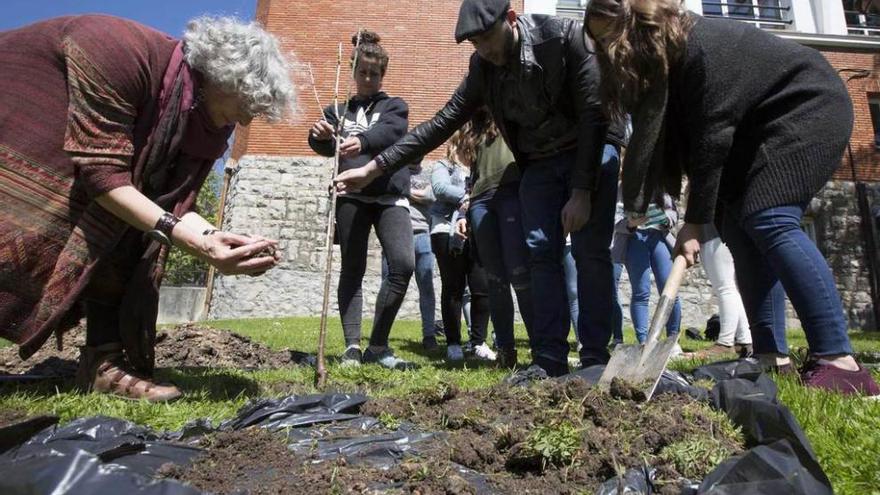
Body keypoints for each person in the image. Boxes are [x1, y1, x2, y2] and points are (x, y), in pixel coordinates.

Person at [585, 0, 880, 395]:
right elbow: (689, 143)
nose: (611, 52)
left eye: (613, 39)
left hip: (806, 106)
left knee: (769, 217)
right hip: (754, 129)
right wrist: (701, 216)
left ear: (635, 23)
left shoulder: (696, 44)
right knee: (738, 230)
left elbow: (713, 137)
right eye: (601, 44)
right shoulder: (664, 67)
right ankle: (770, 356)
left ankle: (840, 363)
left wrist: (692, 222)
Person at [0, 15, 295, 401]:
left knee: (129, 226)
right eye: (244, 105)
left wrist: (211, 236)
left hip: (101, 167)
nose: (244, 120)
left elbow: (166, 204)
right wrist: (198, 245)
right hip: (20, 113)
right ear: (219, 77)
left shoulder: (202, 123)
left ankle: (102, 363)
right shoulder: (115, 51)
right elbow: (104, 177)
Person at [334, 0, 627, 377]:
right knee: (540, 252)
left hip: (591, 147)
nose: (485, 50)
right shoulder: (483, 69)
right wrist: (375, 167)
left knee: (589, 251)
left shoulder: (562, 37)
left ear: (510, 19)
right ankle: (549, 359)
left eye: (488, 38)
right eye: (475, 43)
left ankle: (594, 359)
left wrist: (583, 190)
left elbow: (594, 111)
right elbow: (441, 123)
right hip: (539, 161)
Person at [308, 30, 415, 370]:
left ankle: (378, 345)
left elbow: (392, 133)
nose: (368, 78)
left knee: (403, 264)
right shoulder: (337, 110)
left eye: (375, 73)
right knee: (352, 268)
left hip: (389, 196)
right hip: (350, 195)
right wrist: (319, 135)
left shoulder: (394, 106)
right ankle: (353, 345)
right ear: (353, 71)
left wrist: (364, 141)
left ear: (382, 74)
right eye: (363, 72)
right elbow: (325, 147)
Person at [453, 108, 533, 367]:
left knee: (520, 274)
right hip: (479, 200)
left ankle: (542, 346)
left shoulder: (511, 112)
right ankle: (506, 352)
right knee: (495, 280)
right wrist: (463, 211)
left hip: (510, 191)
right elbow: (470, 166)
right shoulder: (474, 125)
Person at [431, 136, 493, 362]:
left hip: (476, 230)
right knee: (453, 287)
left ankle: (478, 342)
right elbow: (439, 188)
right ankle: (453, 343)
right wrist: (469, 195)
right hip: (444, 230)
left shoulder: (480, 167)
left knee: (481, 286)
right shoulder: (443, 166)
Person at [381, 162, 438, 351]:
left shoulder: (429, 172)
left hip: (423, 234)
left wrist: (406, 192)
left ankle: (429, 335)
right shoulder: (395, 171)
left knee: (426, 287)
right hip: (395, 235)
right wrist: (418, 195)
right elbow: (390, 190)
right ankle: (380, 337)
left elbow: (432, 196)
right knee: (387, 287)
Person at [617, 194, 682, 344]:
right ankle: (643, 342)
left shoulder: (660, 186)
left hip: (659, 236)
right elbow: (614, 219)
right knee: (641, 292)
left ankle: (673, 340)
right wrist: (630, 223)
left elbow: (673, 212)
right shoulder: (622, 188)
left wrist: (666, 219)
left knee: (670, 290)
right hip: (635, 238)